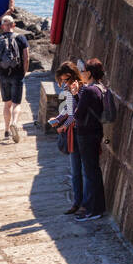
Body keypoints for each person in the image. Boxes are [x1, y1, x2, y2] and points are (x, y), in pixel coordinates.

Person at [72, 58, 109, 221]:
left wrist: (75, 97)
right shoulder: (101, 88)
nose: (82, 74)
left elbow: (78, 114)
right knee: (94, 171)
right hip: (96, 132)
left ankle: (91, 209)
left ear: (89, 73)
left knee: (89, 172)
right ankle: (98, 207)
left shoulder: (88, 90)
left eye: (84, 71)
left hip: (86, 134)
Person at [53, 61, 85, 215]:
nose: (63, 83)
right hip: (78, 133)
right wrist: (58, 119)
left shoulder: (76, 89)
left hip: (78, 133)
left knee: (80, 171)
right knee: (78, 171)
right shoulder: (76, 87)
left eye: (65, 79)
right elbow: (68, 110)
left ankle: (80, 203)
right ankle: (79, 202)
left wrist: (63, 125)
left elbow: (73, 115)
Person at [0, 14, 30, 143]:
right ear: (13, 25)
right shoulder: (21, 38)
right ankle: (14, 122)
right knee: (16, 103)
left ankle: (7, 129)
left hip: (3, 74)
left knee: (7, 103)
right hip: (17, 74)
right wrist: (24, 71)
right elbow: (26, 58)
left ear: (2, 26)